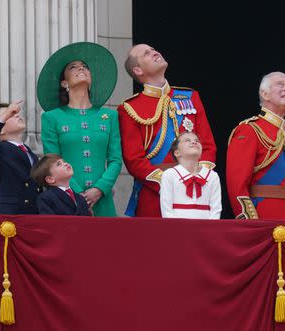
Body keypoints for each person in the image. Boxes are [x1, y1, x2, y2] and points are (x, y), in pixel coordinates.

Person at [118, 43, 216, 217]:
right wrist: (170, 183)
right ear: (138, 70)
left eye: (154, 49)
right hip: (155, 194)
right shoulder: (129, 108)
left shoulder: (191, 97)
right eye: (146, 53)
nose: (155, 52)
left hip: (196, 192)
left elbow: (207, 146)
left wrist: (198, 180)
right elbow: (134, 160)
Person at [37, 42, 122, 217]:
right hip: (69, 198)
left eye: (85, 67)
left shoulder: (109, 116)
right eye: (73, 67)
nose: (80, 69)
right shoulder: (52, 117)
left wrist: (100, 188)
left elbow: (115, 159)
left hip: (103, 199)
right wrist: (78, 193)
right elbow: (52, 159)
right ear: (64, 82)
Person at [226, 71, 285, 220]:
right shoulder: (249, 130)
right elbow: (237, 184)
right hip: (265, 220)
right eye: (280, 84)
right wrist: (249, 221)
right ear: (264, 94)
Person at [0, 101, 40, 214]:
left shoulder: (30, 153)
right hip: (10, 215)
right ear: (1, 129)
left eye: (15, 113)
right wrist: (4, 117)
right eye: (10, 114)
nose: (16, 115)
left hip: (33, 213)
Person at [160, 132, 221, 219]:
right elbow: (167, 210)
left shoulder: (212, 176)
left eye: (197, 140)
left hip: (205, 228)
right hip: (178, 228)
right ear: (177, 153)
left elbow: (216, 210)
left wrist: (210, 230)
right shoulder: (169, 175)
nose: (194, 142)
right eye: (187, 140)